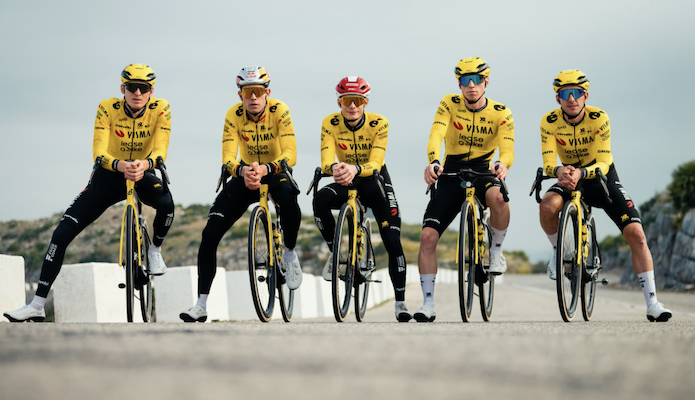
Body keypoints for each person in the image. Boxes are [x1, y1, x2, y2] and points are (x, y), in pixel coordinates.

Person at [4, 64, 174, 323]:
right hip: (109, 174)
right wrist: (120, 165)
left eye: (143, 88)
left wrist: (145, 164)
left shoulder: (161, 108)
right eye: (132, 87)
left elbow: (161, 149)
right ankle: (36, 305)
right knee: (60, 234)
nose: (137, 93)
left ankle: (154, 250)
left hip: (143, 171)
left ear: (152, 91)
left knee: (167, 205)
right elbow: (99, 152)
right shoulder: (107, 107)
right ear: (123, 88)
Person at [539, 69, 672, 322]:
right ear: (557, 98)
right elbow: (548, 162)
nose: (571, 99)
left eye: (577, 93)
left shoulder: (598, 118)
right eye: (565, 94)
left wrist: (582, 172)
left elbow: (604, 160)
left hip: (600, 177)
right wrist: (558, 171)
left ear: (585, 95)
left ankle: (653, 303)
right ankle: (560, 252)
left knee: (637, 234)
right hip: (569, 177)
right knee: (546, 206)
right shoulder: (549, 121)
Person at [180, 65, 302, 323]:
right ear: (240, 95)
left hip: (274, 170)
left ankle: (289, 253)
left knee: (289, 201)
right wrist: (242, 170)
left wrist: (267, 168)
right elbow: (227, 157)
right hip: (245, 174)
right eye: (248, 93)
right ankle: (200, 305)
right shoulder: (233, 115)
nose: (253, 97)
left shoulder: (279, 110)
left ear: (267, 93)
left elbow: (290, 152)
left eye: (258, 91)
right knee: (209, 234)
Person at [416, 57, 514, 322]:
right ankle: (428, 304)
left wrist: (503, 164)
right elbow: (436, 134)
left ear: (486, 82)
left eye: (477, 80)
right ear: (459, 84)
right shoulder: (449, 103)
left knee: (499, 199)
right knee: (427, 237)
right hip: (451, 170)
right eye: (465, 80)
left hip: (483, 169)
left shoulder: (501, 112)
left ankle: (496, 251)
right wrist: (433, 161)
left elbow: (507, 148)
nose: (471, 85)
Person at [313, 76, 411, 322]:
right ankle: (336, 254)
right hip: (344, 175)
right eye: (347, 100)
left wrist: (356, 168)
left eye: (357, 100)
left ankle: (400, 302)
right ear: (339, 102)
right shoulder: (330, 122)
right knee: (320, 199)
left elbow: (376, 161)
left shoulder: (380, 123)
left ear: (366, 102)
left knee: (392, 239)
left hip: (373, 179)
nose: (352, 106)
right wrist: (334, 169)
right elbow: (326, 159)